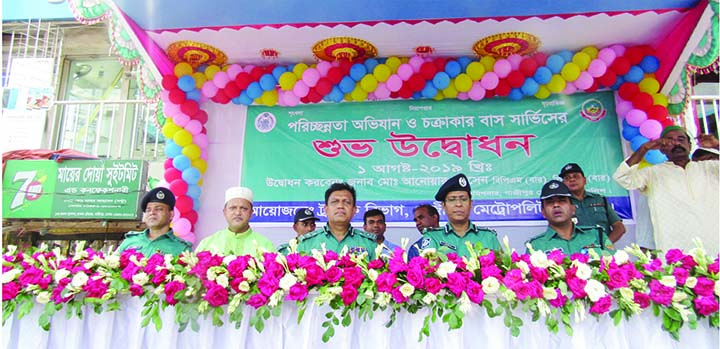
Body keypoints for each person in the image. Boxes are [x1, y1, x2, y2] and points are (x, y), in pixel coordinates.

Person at [613, 126, 719, 255]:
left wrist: (717, 145)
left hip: (714, 244)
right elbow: (623, 178)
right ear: (662, 148)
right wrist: (644, 148)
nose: (676, 143)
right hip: (675, 249)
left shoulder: (710, 167)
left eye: (681, 139)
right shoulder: (653, 173)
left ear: (690, 145)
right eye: (669, 140)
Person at [418, 173, 501, 257]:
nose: (458, 204)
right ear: (443, 205)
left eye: (463, 199)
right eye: (452, 200)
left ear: (470, 204)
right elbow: (429, 267)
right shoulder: (433, 237)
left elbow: (502, 267)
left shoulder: (489, 237)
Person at [526, 180, 614, 254]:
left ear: (573, 209)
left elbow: (616, 267)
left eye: (562, 201)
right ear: (543, 212)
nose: (556, 205)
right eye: (550, 202)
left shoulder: (596, 235)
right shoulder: (535, 246)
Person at [296, 182, 377, 259]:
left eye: (346, 202)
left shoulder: (369, 243)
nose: (340, 206)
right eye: (335, 202)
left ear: (354, 210)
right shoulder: (307, 243)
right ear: (326, 209)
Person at [195, 186, 275, 257]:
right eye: (233, 208)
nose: (237, 213)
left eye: (243, 208)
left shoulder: (265, 245)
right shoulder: (207, 244)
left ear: (251, 213)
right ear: (225, 212)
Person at [559, 163, 626, 243]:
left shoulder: (599, 199)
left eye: (575, 176)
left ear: (584, 180)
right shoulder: (562, 204)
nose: (572, 180)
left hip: (604, 251)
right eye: (567, 178)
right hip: (577, 252)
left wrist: (607, 244)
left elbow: (619, 227)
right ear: (563, 183)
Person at [117, 187, 191, 256]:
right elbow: (112, 265)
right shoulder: (130, 241)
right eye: (148, 210)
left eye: (158, 209)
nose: (152, 212)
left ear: (171, 214)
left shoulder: (181, 248)